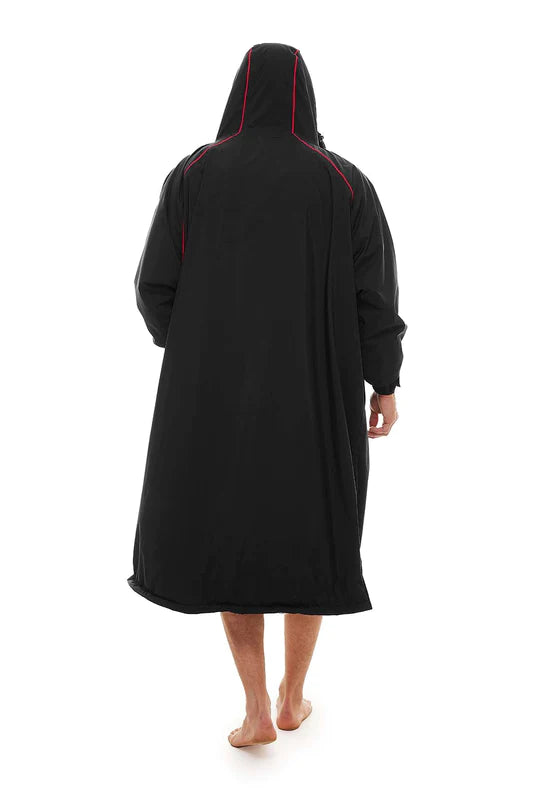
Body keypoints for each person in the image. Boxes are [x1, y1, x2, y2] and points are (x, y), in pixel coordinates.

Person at [128, 43, 406, 747]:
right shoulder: (344, 181)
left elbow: (154, 286)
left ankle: (255, 708)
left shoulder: (194, 173)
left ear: (238, 93)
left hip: (214, 393)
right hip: (318, 391)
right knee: (313, 532)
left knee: (231, 538)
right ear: (305, 98)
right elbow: (374, 296)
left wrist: (193, 346)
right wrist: (385, 380)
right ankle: (292, 697)